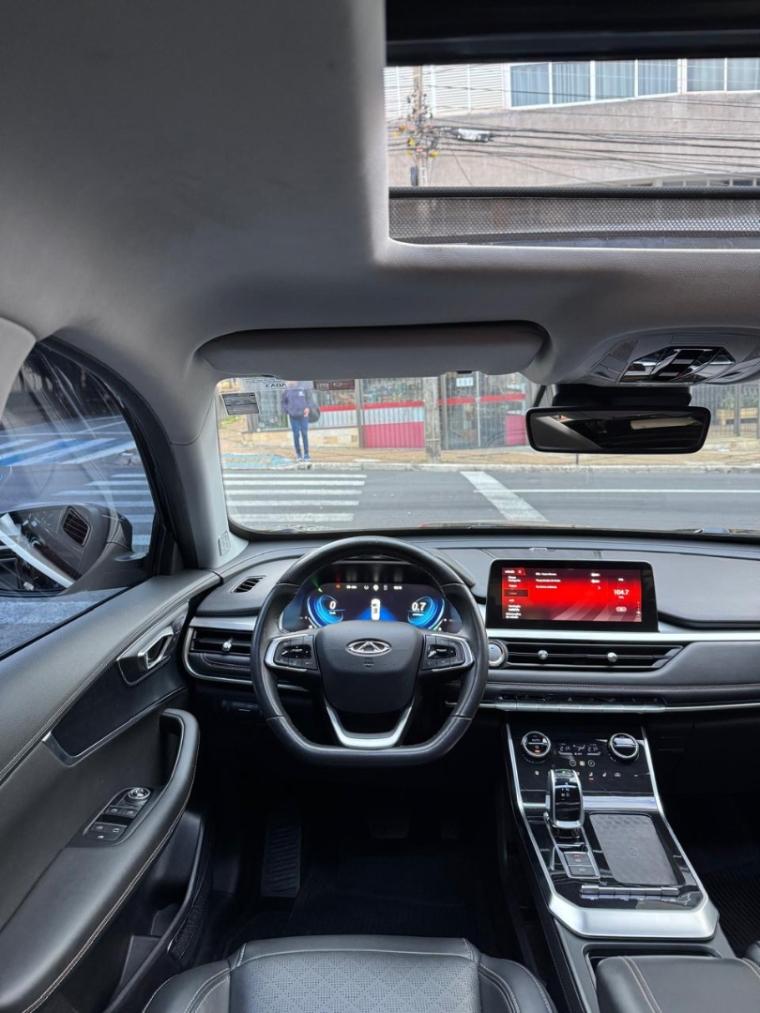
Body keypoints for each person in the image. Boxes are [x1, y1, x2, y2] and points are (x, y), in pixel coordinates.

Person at [281, 380, 315, 465]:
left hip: (304, 416)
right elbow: (283, 402)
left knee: (304, 434)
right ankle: (299, 455)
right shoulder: (286, 390)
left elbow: (309, 399)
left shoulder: (303, 387)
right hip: (293, 417)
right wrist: (288, 410)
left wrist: (308, 408)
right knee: (296, 435)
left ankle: (306, 454)